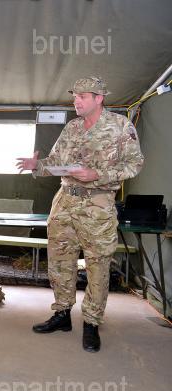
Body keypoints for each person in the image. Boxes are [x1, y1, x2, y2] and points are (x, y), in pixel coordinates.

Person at [16, 76, 144, 353]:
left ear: (99, 98)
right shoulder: (72, 127)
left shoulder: (121, 126)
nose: (76, 101)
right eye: (74, 96)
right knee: (60, 261)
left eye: (82, 96)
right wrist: (37, 165)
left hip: (97, 204)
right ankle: (62, 314)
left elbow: (134, 164)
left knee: (97, 265)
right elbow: (56, 162)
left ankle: (91, 323)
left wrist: (97, 174)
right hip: (64, 202)